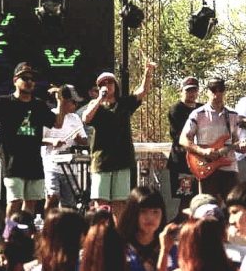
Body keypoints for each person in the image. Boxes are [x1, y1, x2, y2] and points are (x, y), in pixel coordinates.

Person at [0, 62, 64, 219]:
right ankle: (8, 236)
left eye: (32, 79)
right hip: (12, 162)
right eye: (25, 78)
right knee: (14, 201)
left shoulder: (39, 105)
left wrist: (60, 101)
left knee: (31, 202)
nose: (29, 81)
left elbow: (57, 123)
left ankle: (24, 234)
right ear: (15, 81)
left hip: (34, 161)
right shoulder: (4, 102)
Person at [81, 64, 155, 218]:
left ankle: (118, 236)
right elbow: (86, 118)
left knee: (120, 202)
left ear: (115, 85)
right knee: (101, 203)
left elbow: (142, 92)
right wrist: (100, 99)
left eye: (109, 82)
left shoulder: (124, 104)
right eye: (102, 84)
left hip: (122, 160)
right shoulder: (96, 106)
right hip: (101, 161)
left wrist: (147, 73)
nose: (106, 86)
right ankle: (101, 234)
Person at [179, 78, 246, 203]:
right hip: (206, 167)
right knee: (208, 207)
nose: (217, 94)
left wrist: (243, 147)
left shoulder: (233, 115)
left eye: (220, 90)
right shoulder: (198, 114)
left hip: (229, 167)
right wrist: (203, 151)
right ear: (207, 92)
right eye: (213, 90)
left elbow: (236, 141)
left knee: (234, 205)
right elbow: (183, 139)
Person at [41, 85, 88, 210]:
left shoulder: (76, 118)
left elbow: (85, 141)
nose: (75, 106)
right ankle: (48, 226)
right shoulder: (50, 115)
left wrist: (79, 139)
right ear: (64, 101)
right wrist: (52, 141)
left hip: (70, 167)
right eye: (73, 102)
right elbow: (39, 139)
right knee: (52, 198)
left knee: (69, 203)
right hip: (52, 164)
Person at [167, 77, 203, 207]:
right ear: (181, 91)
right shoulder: (176, 109)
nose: (192, 94)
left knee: (201, 199)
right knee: (186, 200)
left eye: (194, 90)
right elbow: (180, 137)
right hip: (182, 163)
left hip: (201, 163)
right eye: (188, 90)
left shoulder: (202, 108)